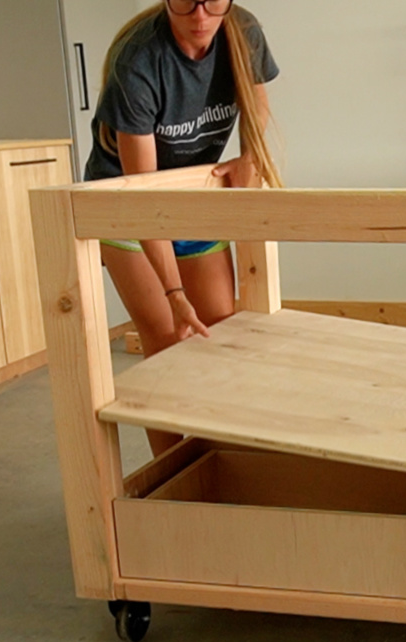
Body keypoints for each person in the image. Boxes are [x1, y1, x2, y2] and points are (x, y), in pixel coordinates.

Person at [85, 0, 282, 455]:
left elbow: (257, 108)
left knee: (218, 328)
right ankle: (174, 469)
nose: (199, 16)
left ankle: (217, 455)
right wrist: (174, 294)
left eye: (214, 2)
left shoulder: (244, 32)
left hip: (192, 196)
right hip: (125, 204)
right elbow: (146, 196)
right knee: (168, 337)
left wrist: (250, 157)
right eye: (184, 2)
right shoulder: (139, 60)